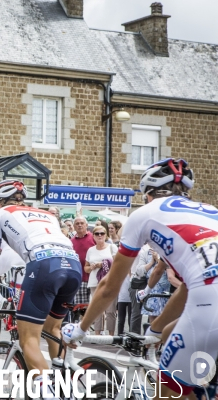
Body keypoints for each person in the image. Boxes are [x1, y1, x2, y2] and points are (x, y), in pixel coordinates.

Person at [62, 158, 218, 399]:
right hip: (206, 299)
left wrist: (81, 329)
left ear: (148, 194)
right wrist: (153, 332)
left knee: (167, 393)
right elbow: (187, 288)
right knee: (168, 333)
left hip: (208, 305)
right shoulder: (210, 210)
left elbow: (109, 286)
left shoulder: (145, 214)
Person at [0, 180, 81, 398]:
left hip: (43, 265)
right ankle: (63, 386)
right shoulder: (46, 214)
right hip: (73, 266)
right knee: (52, 329)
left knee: (27, 338)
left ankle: (48, 391)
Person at [84, 225, 117, 334]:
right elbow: (86, 268)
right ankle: (97, 334)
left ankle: (111, 335)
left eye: (102, 233)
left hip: (110, 282)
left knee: (110, 309)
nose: (99, 235)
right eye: (97, 233)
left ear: (106, 235)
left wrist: (102, 264)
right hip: (94, 282)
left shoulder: (112, 247)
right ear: (93, 236)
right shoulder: (90, 250)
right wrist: (92, 267)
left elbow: (117, 265)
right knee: (96, 308)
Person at [70, 216, 95, 305]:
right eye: (77, 223)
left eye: (82, 223)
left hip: (95, 276)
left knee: (97, 306)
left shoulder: (94, 238)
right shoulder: (71, 242)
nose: (80, 225)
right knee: (81, 307)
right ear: (74, 226)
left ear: (86, 225)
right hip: (80, 277)